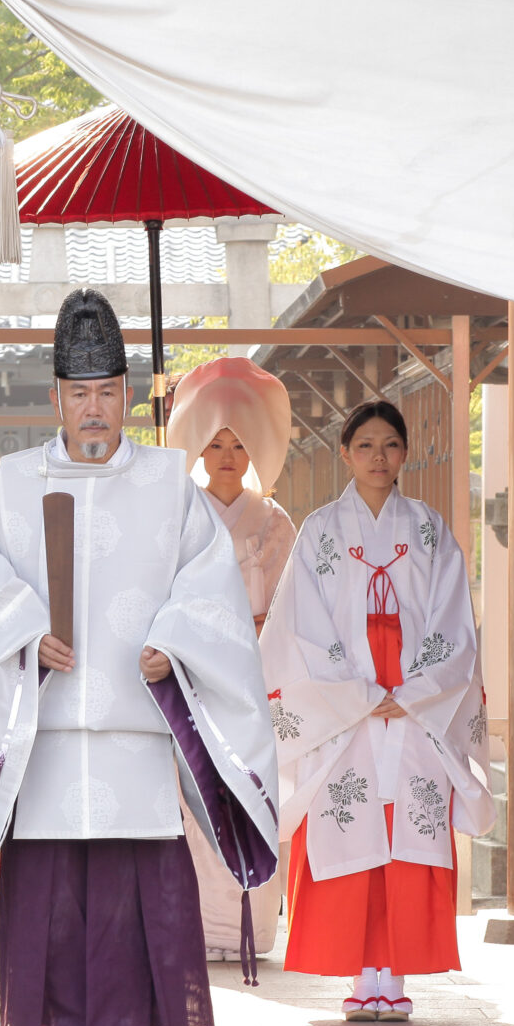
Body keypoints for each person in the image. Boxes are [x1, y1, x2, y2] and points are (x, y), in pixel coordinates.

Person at [0, 288, 280, 1026]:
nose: (93, 409)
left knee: (138, 886)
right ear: (56, 396)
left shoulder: (169, 483)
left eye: (106, 392)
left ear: (126, 395)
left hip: (135, 720)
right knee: (50, 885)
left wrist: (176, 639)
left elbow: (210, 587)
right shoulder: (17, 483)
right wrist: (25, 631)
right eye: (78, 393)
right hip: (48, 723)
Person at [259, 400, 493, 1023]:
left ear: (405, 453)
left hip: (416, 703)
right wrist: (358, 692)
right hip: (345, 704)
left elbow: (452, 619)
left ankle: (396, 973)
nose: (378, 457)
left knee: (406, 830)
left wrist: (412, 691)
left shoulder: (429, 529)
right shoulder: (319, 531)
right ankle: (363, 977)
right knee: (351, 825)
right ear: (345, 453)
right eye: (365, 446)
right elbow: (300, 622)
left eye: (390, 445)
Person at [165, 357, 297, 962]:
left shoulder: (274, 522)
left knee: (251, 794)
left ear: (254, 452)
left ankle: (251, 927)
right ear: (196, 448)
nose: (225, 454)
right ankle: (198, 926)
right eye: (214, 442)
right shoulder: (174, 516)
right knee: (193, 802)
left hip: (254, 677)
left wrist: (249, 634)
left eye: (238, 443)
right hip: (191, 679)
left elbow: (292, 608)